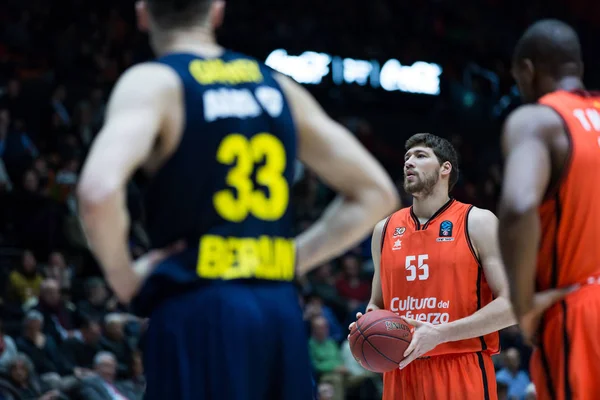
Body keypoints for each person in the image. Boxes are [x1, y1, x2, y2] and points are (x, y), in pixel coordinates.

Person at [76, 0, 399, 399]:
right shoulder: (275, 85)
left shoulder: (155, 82)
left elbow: (97, 192)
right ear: (216, 12)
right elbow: (376, 192)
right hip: (277, 308)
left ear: (142, 14)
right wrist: (293, 257)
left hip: (198, 305)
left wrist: (125, 279)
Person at [351, 133, 515, 400]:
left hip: (460, 366)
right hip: (400, 371)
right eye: (406, 157)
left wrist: (441, 333)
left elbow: (513, 305)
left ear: (445, 168)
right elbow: (377, 303)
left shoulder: (478, 222)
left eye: (420, 156)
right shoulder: (384, 230)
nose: (409, 163)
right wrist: (368, 325)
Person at [498, 19, 600, 400]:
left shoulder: (539, 120)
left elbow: (518, 206)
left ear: (527, 70)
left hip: (579, 311)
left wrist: (523, 306)